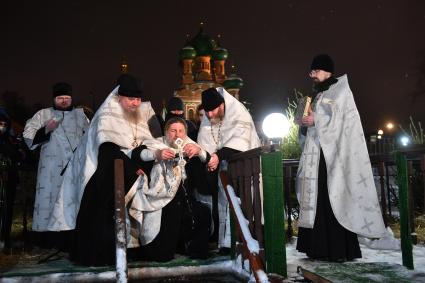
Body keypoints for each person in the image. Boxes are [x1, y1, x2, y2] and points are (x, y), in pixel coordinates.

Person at [295, 54, 386, 261]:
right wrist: (304, 123)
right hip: (316, 156)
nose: (312, 76)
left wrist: (317, 120)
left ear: (327, 70)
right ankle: (316, 248)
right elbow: (316, 124)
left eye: (315, 71)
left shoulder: (341, 91)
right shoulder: (317, 95)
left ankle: (337, 249)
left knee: (332, 199)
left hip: (333, 159)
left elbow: (344, 123)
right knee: (317, 200)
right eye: (311, 72)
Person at [134, 117, 211, 261]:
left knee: (202, 213)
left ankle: (191, 249)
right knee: (163, 251)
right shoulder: (156, 143)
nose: (177, 135)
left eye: (181, 131)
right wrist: (157, 154)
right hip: (161, 198)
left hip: (184, 196)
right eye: (173, 131)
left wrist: (199, 151)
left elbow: (207, 158)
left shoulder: (189, 144)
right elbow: (138, 154)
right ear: (166, 132)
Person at [23, 82, 89, 248]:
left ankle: (72, 240)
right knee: (50, 203)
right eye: (60, 98)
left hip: (74, 169)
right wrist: (46, 129)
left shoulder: (80, 115)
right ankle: (49, 242)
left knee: (72, 203)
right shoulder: (43, 114)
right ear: (54, 99)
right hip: (50, 170)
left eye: (67, 98)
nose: (64, 101)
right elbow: (27, 137)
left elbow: (91, 136)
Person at [197, 87, 261, 250]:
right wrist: (209, 159)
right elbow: (205, 142)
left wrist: (218, 156)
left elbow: (239, 142)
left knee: (243, 205)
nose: (209, 115)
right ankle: (225, 244)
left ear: (221, 105)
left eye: (212, 111)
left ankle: (244, 244)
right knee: (223, 205)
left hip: (244, 169)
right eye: (206, 111)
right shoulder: (209, 116)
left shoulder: (238, 112)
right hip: (223, 172)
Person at [0, 109, 22, 252]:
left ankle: (5, 240)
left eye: (3, 124)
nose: (1, 127)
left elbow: (20, 154)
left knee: (7, 210)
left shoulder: (11, 139)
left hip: (9, 179)